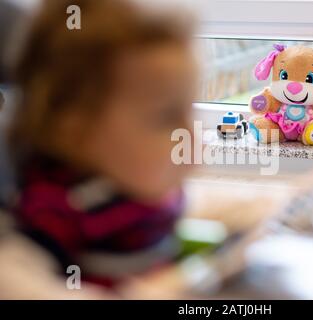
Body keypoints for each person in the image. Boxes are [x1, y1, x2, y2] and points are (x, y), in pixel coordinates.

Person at [4, 0, 197, 295]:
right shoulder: (57, 210)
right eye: (165, 117)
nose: (191, 137)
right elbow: (21, 283)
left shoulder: (139, 187)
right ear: (75, 131)